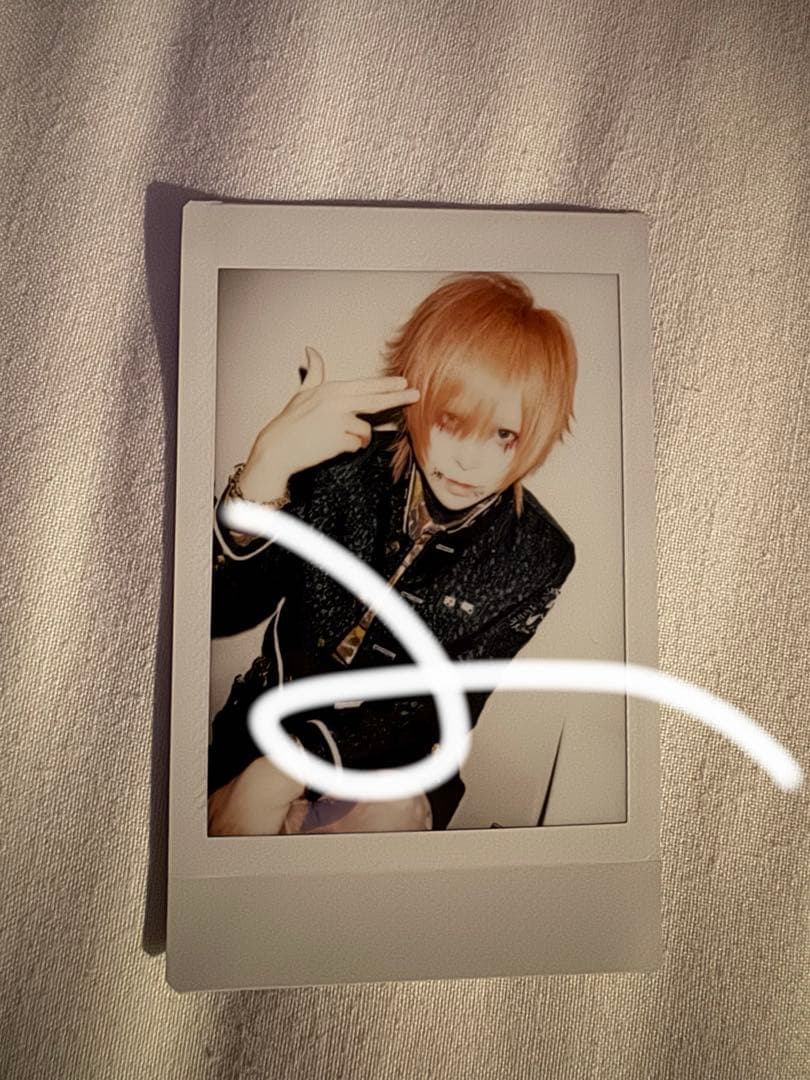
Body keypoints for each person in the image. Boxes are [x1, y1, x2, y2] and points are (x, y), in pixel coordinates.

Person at [208, 272, 577, 836]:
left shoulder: (537, 554)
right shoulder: (342, 467)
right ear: (417, 396)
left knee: (388, 820)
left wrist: (295, 765)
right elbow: (222, 612)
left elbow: (445, 708)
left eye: (503, 435)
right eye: (452, 421)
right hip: (258, 728)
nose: (469, 460)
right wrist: (266, 469)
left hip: (391, 773)